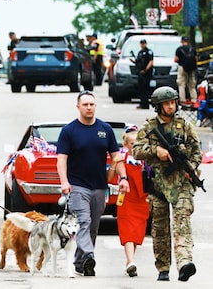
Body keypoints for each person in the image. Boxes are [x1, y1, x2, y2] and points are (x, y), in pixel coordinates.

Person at [56, 90, 129, 277]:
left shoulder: (105, 129)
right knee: (83, 222)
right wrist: (64, 181)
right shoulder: (69, 131)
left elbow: (116, 157)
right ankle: (89, 255)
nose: (89, 107)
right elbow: (61, 159)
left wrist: (123, 178)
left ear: (95, 106)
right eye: (85, 104)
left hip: (99, 187)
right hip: (78, 186)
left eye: (92, 104)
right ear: (78, 107)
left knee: (93, 227)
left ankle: (81, 263)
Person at [132, 86, 201, 282]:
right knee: (160, 229)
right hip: (158, 185)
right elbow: (136, 150)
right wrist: (156, 150)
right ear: (158, 106)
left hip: (182, 185)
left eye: (173, 103)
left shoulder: (185, 125)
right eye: (166, 104)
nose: (171, 107)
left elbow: (196, 152)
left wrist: (193, 169)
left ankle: (185, 264)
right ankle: (163, 267)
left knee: (182, 224)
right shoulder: (149, 126)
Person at [107, 125, 149, 278]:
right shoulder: (121, 159)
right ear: (126, 145)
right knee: (128, 231)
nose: (136, 147)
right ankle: (131, 261)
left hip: (142, 200)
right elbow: (110, 178)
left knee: (137, 232)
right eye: (133, 144)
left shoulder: (146, 161)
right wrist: (113, 164)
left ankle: (129, 262)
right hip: (126, 199)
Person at [130, 39, 154, 110]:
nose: (142, 45)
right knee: (141, 89)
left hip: (146, 73)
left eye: (143, 43)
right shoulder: (140, 52)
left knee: (145, 89)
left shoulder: (148, 52)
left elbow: (151, 62)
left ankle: (145, 104)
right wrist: (134, 61)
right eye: (141, 43)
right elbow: (138, 62)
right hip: (140, 73)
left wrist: (145, 70)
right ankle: (142, 103)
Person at [175, 36, 198, 105]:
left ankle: (183, 100)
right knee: (192, 85)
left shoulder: (179, 49)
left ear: (182, 41)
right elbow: (196, 59)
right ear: (187, 41)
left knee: (181, 84)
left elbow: (175, 59)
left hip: (182, 68)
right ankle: (194, 99)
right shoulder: (192, 49)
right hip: (192, 69)